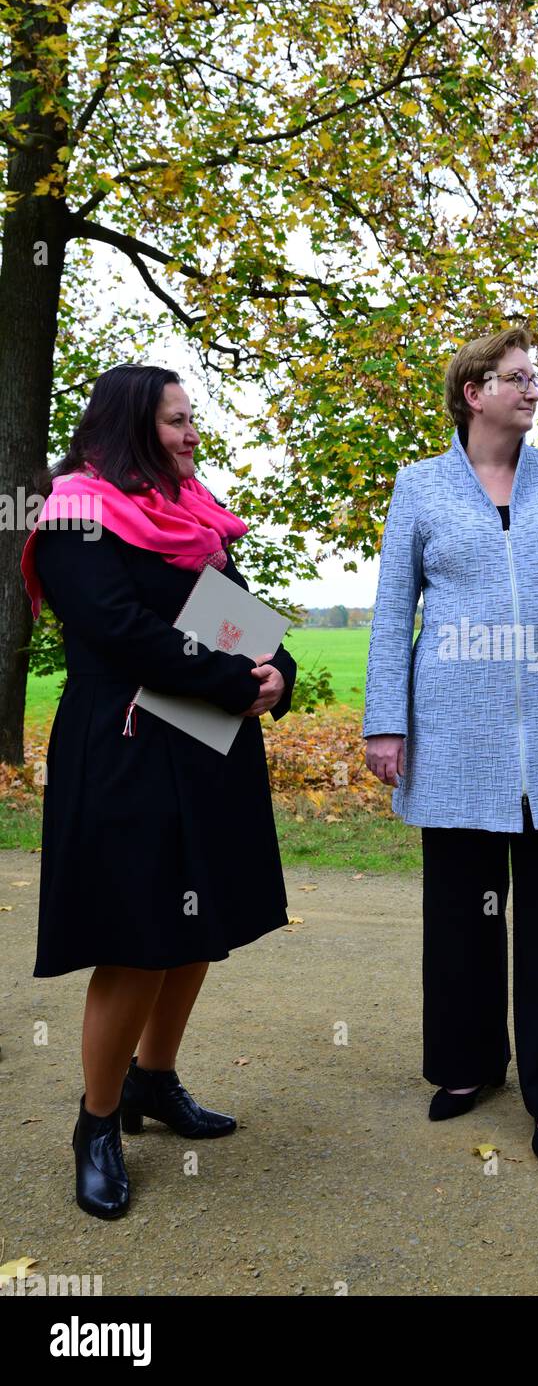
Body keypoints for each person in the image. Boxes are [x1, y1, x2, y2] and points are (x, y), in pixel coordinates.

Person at [362, 325, 538, 1170]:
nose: (531, 389)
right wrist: (387, 720)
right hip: (454, 731)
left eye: (534, 377)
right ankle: (466, 1065)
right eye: (514, 377)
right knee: (460, 913)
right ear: (471, 392)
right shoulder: (418, 487)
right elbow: (389, 613)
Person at [20, 364, 298, 1219]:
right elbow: (118, 627)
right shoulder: (74, 511)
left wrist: (275, 672)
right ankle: (95, 1125)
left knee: (193, 926)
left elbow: (235, 612)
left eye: (191, 421)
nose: (190, 435)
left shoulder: (192, 516)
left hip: (206, 750)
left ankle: (153, 1082)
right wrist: (229, 678)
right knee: (135, 938)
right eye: (177, 420)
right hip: (125, 750)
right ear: (132, 423)